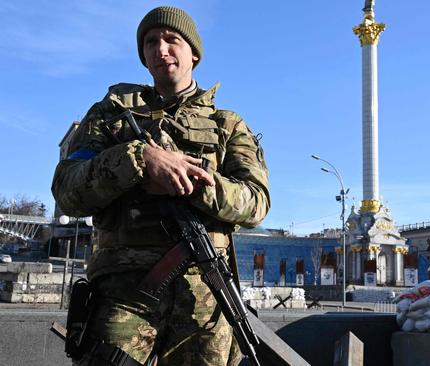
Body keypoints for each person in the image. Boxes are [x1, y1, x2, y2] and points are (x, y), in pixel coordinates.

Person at [51, 6, 270, 366]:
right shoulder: (110, 116)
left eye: (172, 40)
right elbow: (66, 190)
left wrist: (193, 183)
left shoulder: (226, 125)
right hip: (124, 296)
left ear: (193, 53)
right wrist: (138, 159)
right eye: (151, 42)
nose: (160, 49)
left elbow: (256, 202)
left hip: (204, 297)